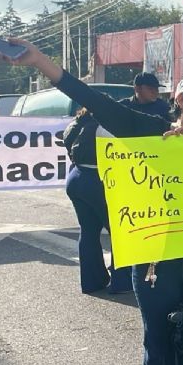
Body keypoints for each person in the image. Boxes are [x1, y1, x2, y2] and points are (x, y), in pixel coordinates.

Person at [0, 38, 183, 365]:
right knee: (159, 346)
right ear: (181, 99)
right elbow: (93, 98)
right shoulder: (147, 131)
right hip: (157, 262)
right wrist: (40, 61)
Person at [62, 107, 132, 294]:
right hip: (97, 179)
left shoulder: (75, 125)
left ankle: (92, 281)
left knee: (88, 231)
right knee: (118, 230)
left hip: (75, 177)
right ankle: (122, 282)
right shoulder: (104, 128)